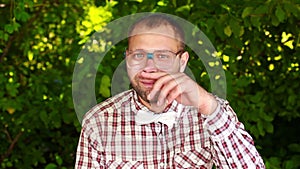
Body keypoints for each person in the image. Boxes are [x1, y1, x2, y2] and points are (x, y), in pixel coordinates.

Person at [75, 14, 265, 168]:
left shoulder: (213, 112)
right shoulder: (98, 122)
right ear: (127, 59)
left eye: (163, 56)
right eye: (139, 55)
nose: (149, 67)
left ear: (182, 62)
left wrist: (208, 105)